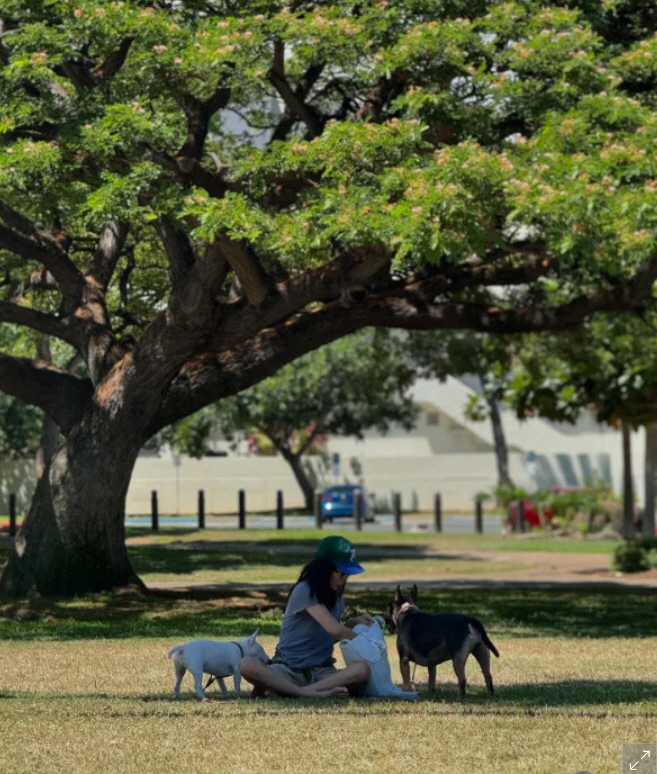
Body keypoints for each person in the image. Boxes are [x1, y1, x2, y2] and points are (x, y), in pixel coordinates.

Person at [240, 535, 374, 698]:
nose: (344, 580)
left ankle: (293, 690)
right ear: (325, 570)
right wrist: (369, 643)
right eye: (342, 574)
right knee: (247, 664)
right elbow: (334, 630)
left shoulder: (336, 595)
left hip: (321, 672)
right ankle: (307, 693)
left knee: (361, 670)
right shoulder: (305, 590)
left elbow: (328, 636)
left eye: (347, 576)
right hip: (288, 670)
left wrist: (352, 624)